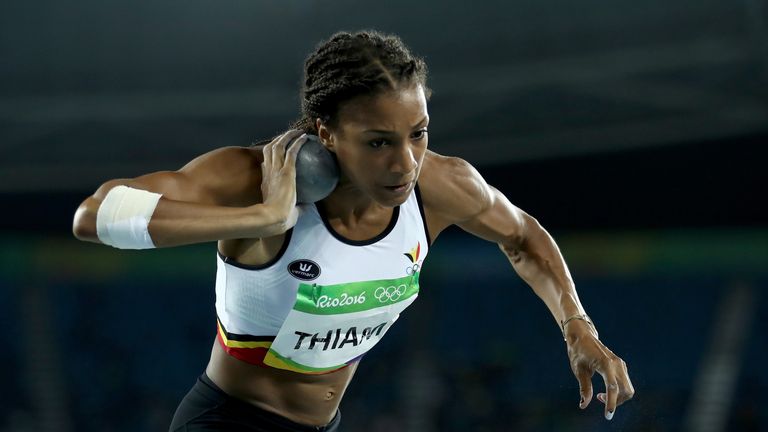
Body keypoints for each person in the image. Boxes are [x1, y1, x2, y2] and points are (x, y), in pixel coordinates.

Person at [72, 30, 634, 431]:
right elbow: (95, 217)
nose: (405, 164)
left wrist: (576, 326)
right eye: (378, 141)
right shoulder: (253, 179)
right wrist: (262, 219)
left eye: (417, 134)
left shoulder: (440, 185)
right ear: (327, 132)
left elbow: (523, 236)